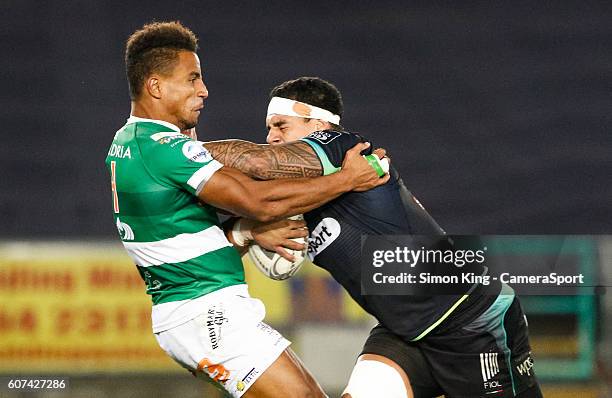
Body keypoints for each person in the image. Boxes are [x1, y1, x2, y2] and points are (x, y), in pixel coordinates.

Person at [204, 77, 543, 398]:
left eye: (281, 126)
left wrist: (170, 147)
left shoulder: (344, 148)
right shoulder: (302, 197)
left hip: (469, 322)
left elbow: (256, 163)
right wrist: (246, 230)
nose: (272, 137)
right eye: (269, 128)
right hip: (403, 333)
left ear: (318, 127)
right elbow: (214, 241)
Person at [106, 23, 389, 398]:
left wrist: (246, 231)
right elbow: (260, 201)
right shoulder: (161, 147)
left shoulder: (129, 140)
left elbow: (183, 237)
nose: (203, 90)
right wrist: (347, 179)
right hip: (205, 311)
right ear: (156, 86)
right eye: (192, 79)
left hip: (195, 309)